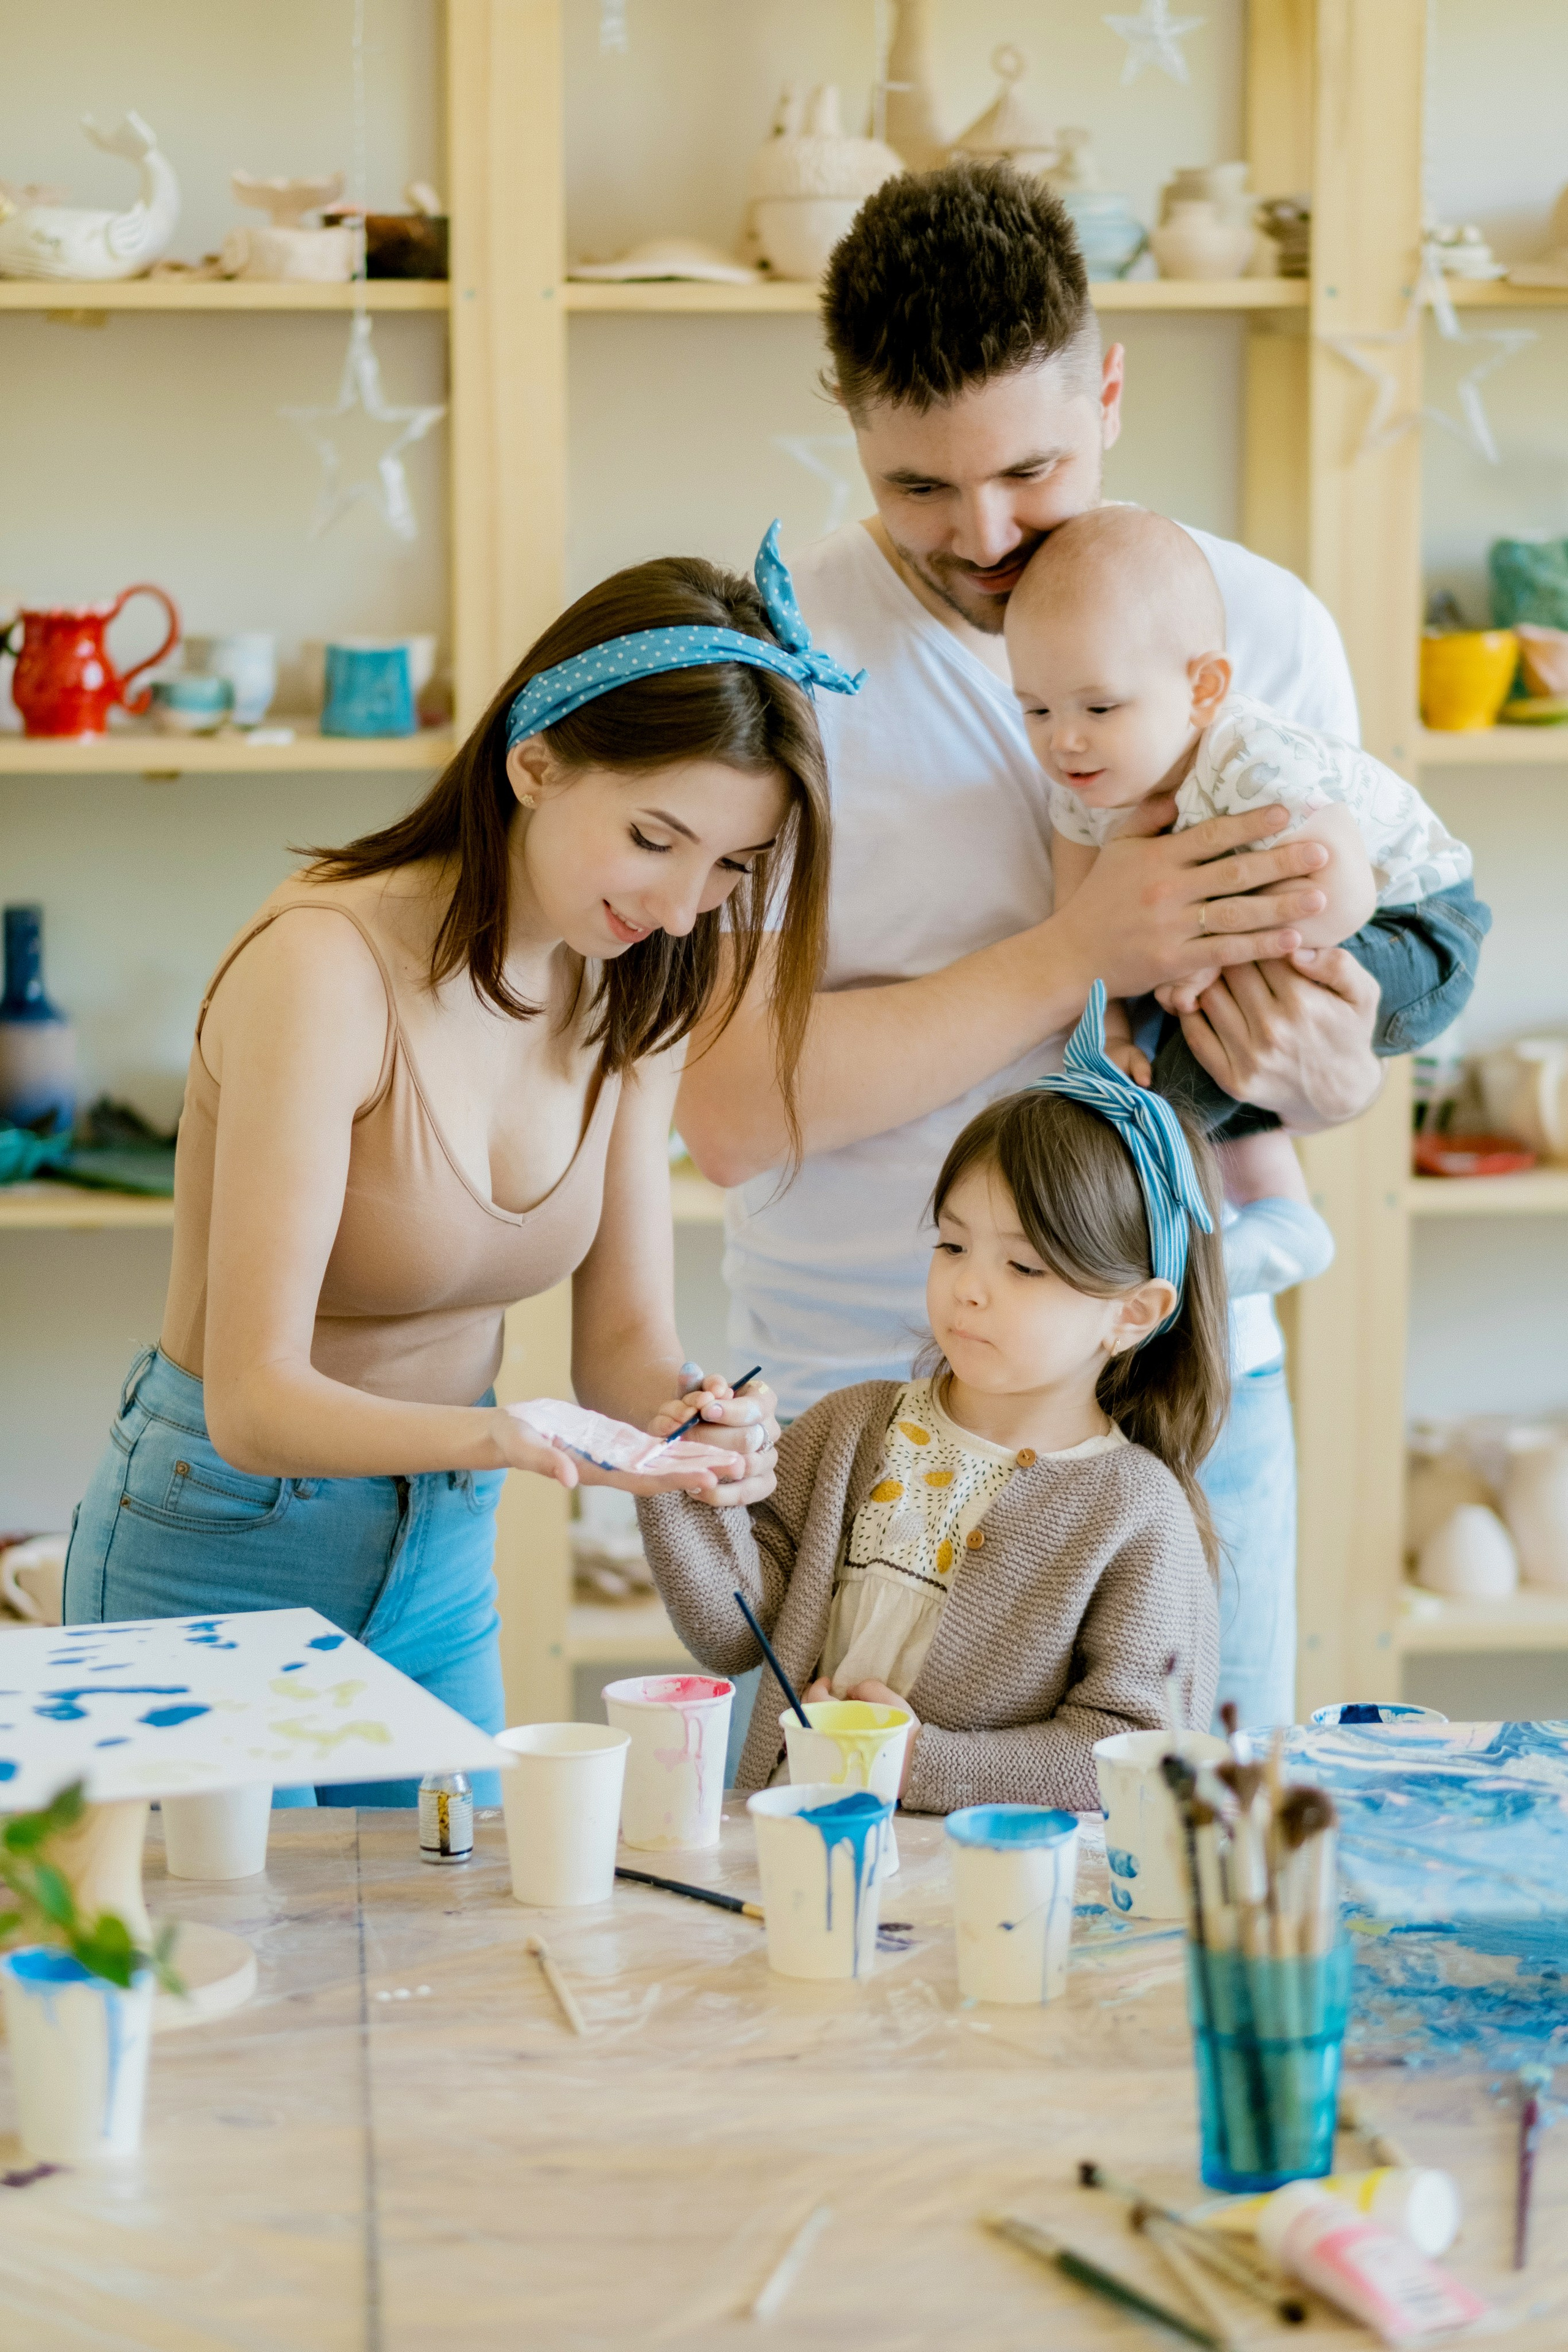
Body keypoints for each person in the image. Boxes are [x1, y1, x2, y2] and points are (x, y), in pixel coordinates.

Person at [673, 163, 1477, 1731]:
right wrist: (1076, 948)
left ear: (1107, 389)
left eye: (1028, 470)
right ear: (847, 430)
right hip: (859, 1412)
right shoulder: (782, 656)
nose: (980, 536)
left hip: (1174, 1395)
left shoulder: (1257, 631)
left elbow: (1328, 1060)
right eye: (916, 487)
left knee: (1177, 1890)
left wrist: (1326, 1062)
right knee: (842, 1919)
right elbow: (726, 1110)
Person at [61, 528, 850, 1804]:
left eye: (729, 868)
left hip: (440, 1561)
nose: (680, 904)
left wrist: (691, 1426)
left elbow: (624, 1346)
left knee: (445, 1978)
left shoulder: (638, 988)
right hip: (213, 1546)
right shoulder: (323, 968)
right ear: (532, 761)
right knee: (202, 1982)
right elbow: (252, 1401)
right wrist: (507, 1432)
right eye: (655, 838)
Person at [638, 988, 1223, 1812]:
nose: (968, 1289)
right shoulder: (852, 1429)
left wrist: (920, 1764)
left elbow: (1133, 1754)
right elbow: (736, 1633)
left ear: (1133, 1314)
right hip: (793, 1851)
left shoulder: (1137, 1512)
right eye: (952, 1245)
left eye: (1024, 1267)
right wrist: (683, 1484)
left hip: (983, 1895)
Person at [1006, 505, 1483, 1152]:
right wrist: (1109, 1036)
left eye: (1099, 707)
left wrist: (1200, 954)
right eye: (1035, 709)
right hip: (1300, 946)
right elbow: (1077, 934)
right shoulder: (1081, 786)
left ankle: (1148, 1165)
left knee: (1196, 1049)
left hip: (1415, 929)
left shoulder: (1253, 765)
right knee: (1178, 1035)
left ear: (1203, 689)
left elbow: (1343, 896)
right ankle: (1259, 1200)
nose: (1063, 740)